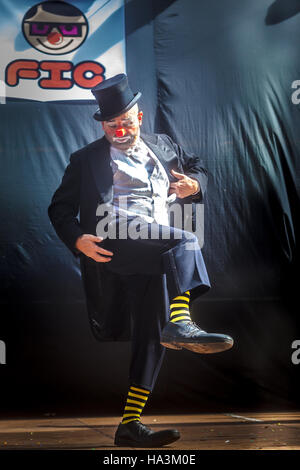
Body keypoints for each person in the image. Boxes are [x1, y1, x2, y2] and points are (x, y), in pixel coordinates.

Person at [48, 74, 233, 447]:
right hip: (118, 235)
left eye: (126, 122)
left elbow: (199, 170)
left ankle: (129, 425)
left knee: (152, 336)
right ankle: (181, 321)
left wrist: (193, 185)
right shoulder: (86, 159)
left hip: (156, 248)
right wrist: (77, 240)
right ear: (103, 125)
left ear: (140, 117)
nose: (119, 129)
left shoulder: (162, 146)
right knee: (186, 239)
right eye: (112, 124)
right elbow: (60, 209)